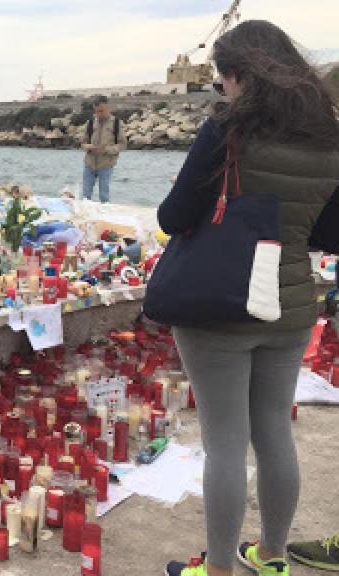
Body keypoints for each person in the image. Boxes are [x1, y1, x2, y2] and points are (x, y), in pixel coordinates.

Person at [157, 20, 339, 576]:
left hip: (222, 305)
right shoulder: (330, 135)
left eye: (221, 78)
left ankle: (217, 570)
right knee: (274, 432)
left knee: (226, 444)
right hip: (289, 307)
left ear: (238, 74)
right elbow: (329, 235)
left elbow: (173, 216)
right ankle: (274, 557)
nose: (222, 89)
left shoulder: (226, 130)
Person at [80, 95, 126, 203]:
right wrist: (88, 146)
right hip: (89, 163)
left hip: (106, 165)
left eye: (102, 111)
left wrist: (108, 149)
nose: (99, 114)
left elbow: (122, 144)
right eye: (97, 111)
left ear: (108, 107)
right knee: (85, 196)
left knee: (104, 196)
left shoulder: (116, 123)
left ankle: (104, 217)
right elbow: (83, 142)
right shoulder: (90, 123)